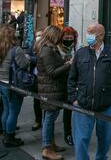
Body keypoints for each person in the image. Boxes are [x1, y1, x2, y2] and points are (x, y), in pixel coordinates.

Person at [68, 23, 111, 160]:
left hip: (107, 106)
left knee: (105, 140)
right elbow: (72, 77)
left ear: (100, 35)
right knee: (81, 140)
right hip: (82, 104)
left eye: (91, 32)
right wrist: (73, 98)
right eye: (88, 31)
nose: (88, 34)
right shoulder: (81, 53)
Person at [36, 25, 72, 160]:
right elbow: (52, 72)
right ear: (54, 35)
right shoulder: (47, 50)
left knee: (49, 118)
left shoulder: (49, 48)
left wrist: (64, 62)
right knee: (49, 119)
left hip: (51, 89)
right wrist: (68, 65)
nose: (62, 38)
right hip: (50, 90)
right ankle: (47, 148)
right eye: (60, 35)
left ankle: (51, 144)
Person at [0, 25, 31, 147]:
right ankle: (10, 136)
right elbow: (24, 64)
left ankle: (6, 131)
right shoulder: (15, 50)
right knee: (13, 111)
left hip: (2, 83)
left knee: (6, 109)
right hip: (12, 84)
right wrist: (27, 58)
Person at [57, 26, 78, 146]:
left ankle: (70, 133)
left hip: (73, 81)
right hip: (61, 81)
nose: (69, 39)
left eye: (71, 37)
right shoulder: (58, 48)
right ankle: (66, 132)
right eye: (67, 37)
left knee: (70, 109)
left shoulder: (76, 47)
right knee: (63, 109)